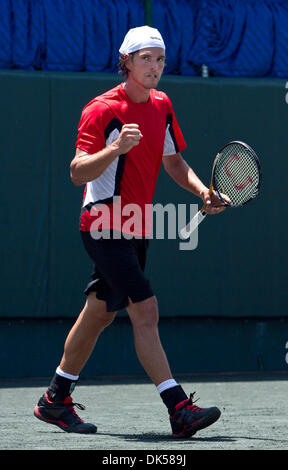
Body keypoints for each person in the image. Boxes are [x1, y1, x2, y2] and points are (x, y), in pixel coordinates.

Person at [34, 26, 226, 438]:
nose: (154, 67)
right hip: (102, 221)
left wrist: (202, 192)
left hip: (136, 225)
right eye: (146, 59)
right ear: (127, 62)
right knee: (146, 309)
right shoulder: (102, 110)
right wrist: (115, 149)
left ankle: (55, 399)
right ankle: (178, 409)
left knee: (100, 312)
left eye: (159, 60)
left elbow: (173, 162)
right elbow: (76, 172)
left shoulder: (163, 105)